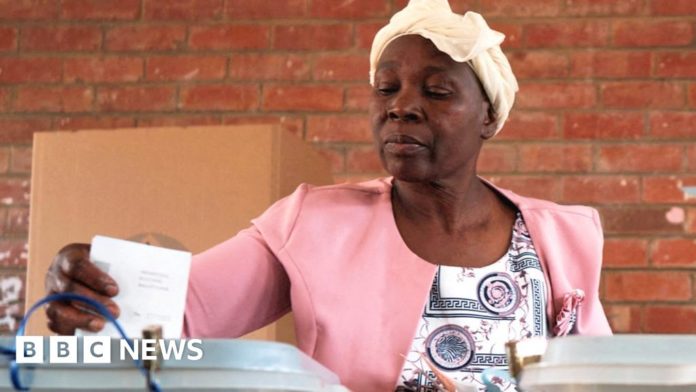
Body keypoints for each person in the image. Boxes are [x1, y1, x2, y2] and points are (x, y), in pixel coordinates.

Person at [43, 1, 612, 391]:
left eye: (436, 91)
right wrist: (92, 284)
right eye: (386, 88)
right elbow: (175, 314)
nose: (401, 106)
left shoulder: (555, 238)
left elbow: (602, 377)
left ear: (488, 116)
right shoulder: (312, 225)